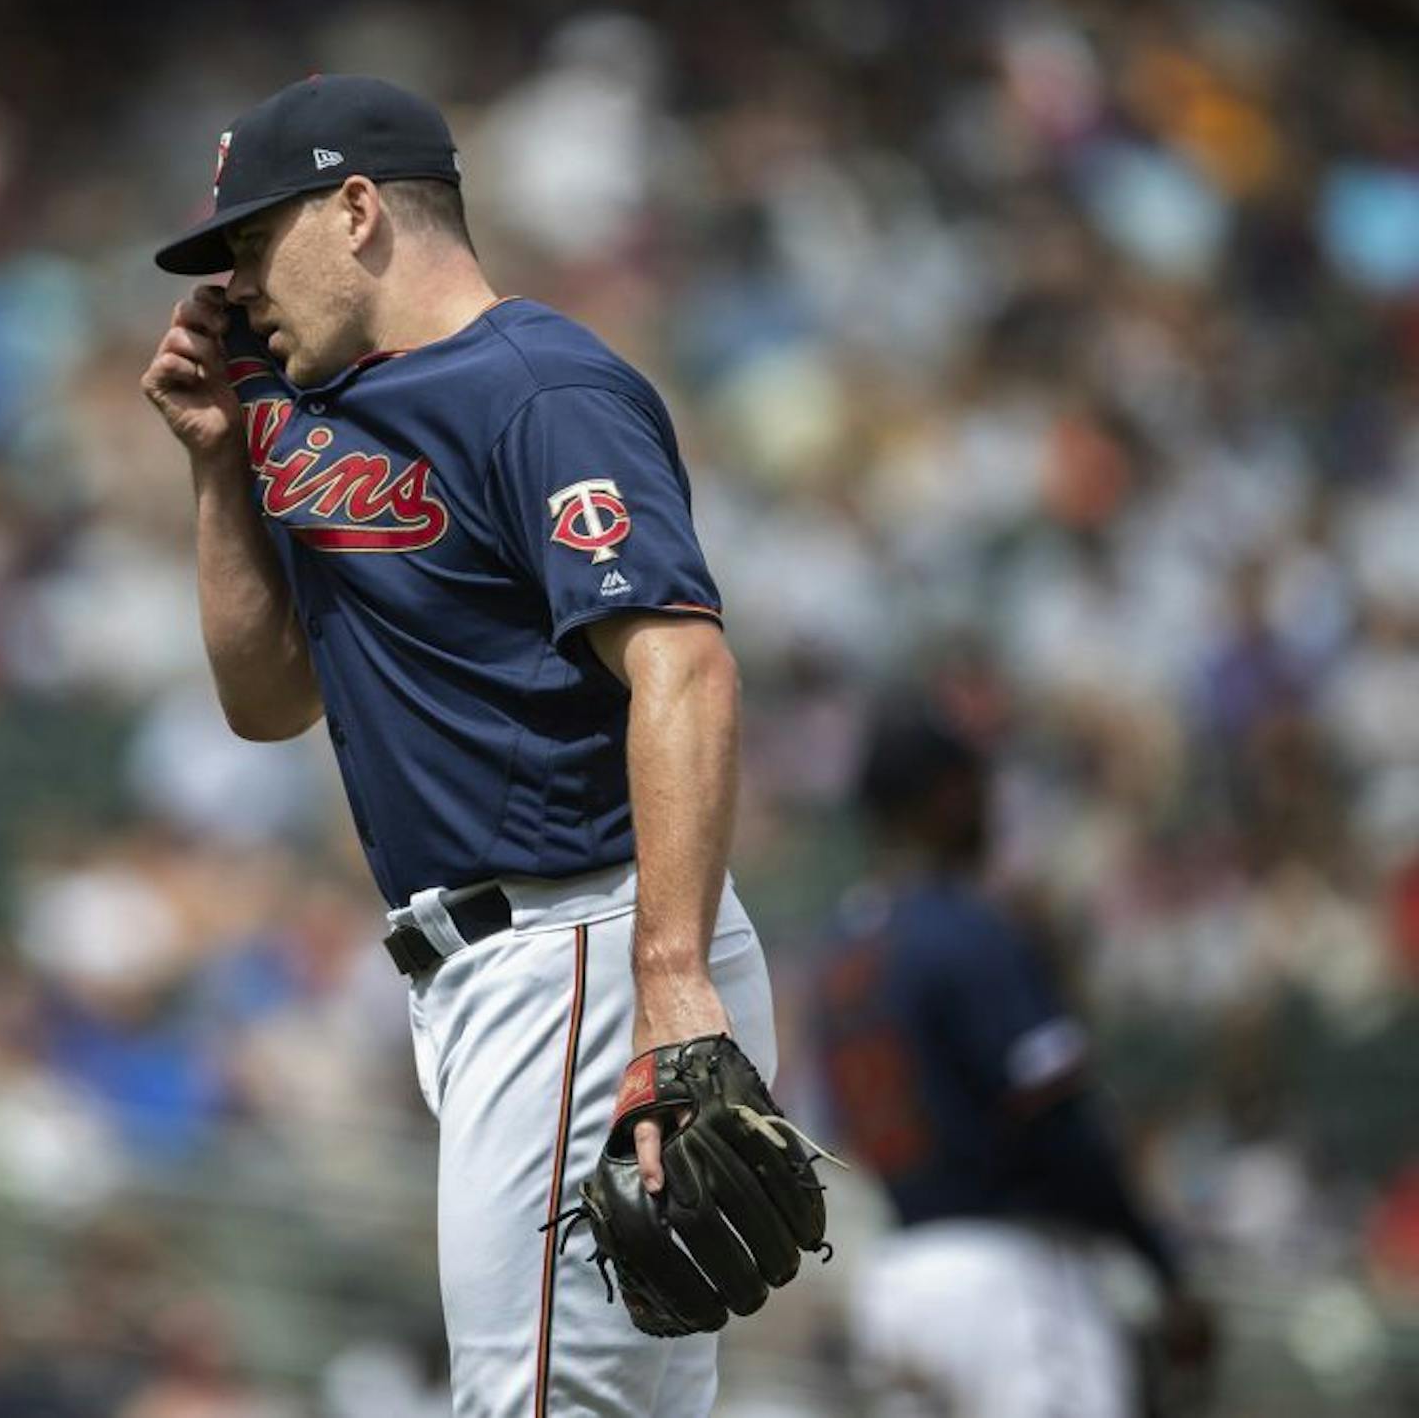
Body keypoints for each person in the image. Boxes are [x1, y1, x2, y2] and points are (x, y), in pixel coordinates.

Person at [141, 74, 782, 1416]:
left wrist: (668, 982)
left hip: (584, 940)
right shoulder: (324, 413)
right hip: (503, 970)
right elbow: (266, 703)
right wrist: (217, 466)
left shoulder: (540, 388)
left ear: (360, 208)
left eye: (255, 244)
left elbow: (684, 664)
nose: (239, 287)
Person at [813, 698, 1216, 1417]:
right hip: (1009, 1287)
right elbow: (1060, 1123)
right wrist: (1161, 1266)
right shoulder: (967, 929)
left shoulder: (843, 955)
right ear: (947, 795)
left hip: (896, 1281)